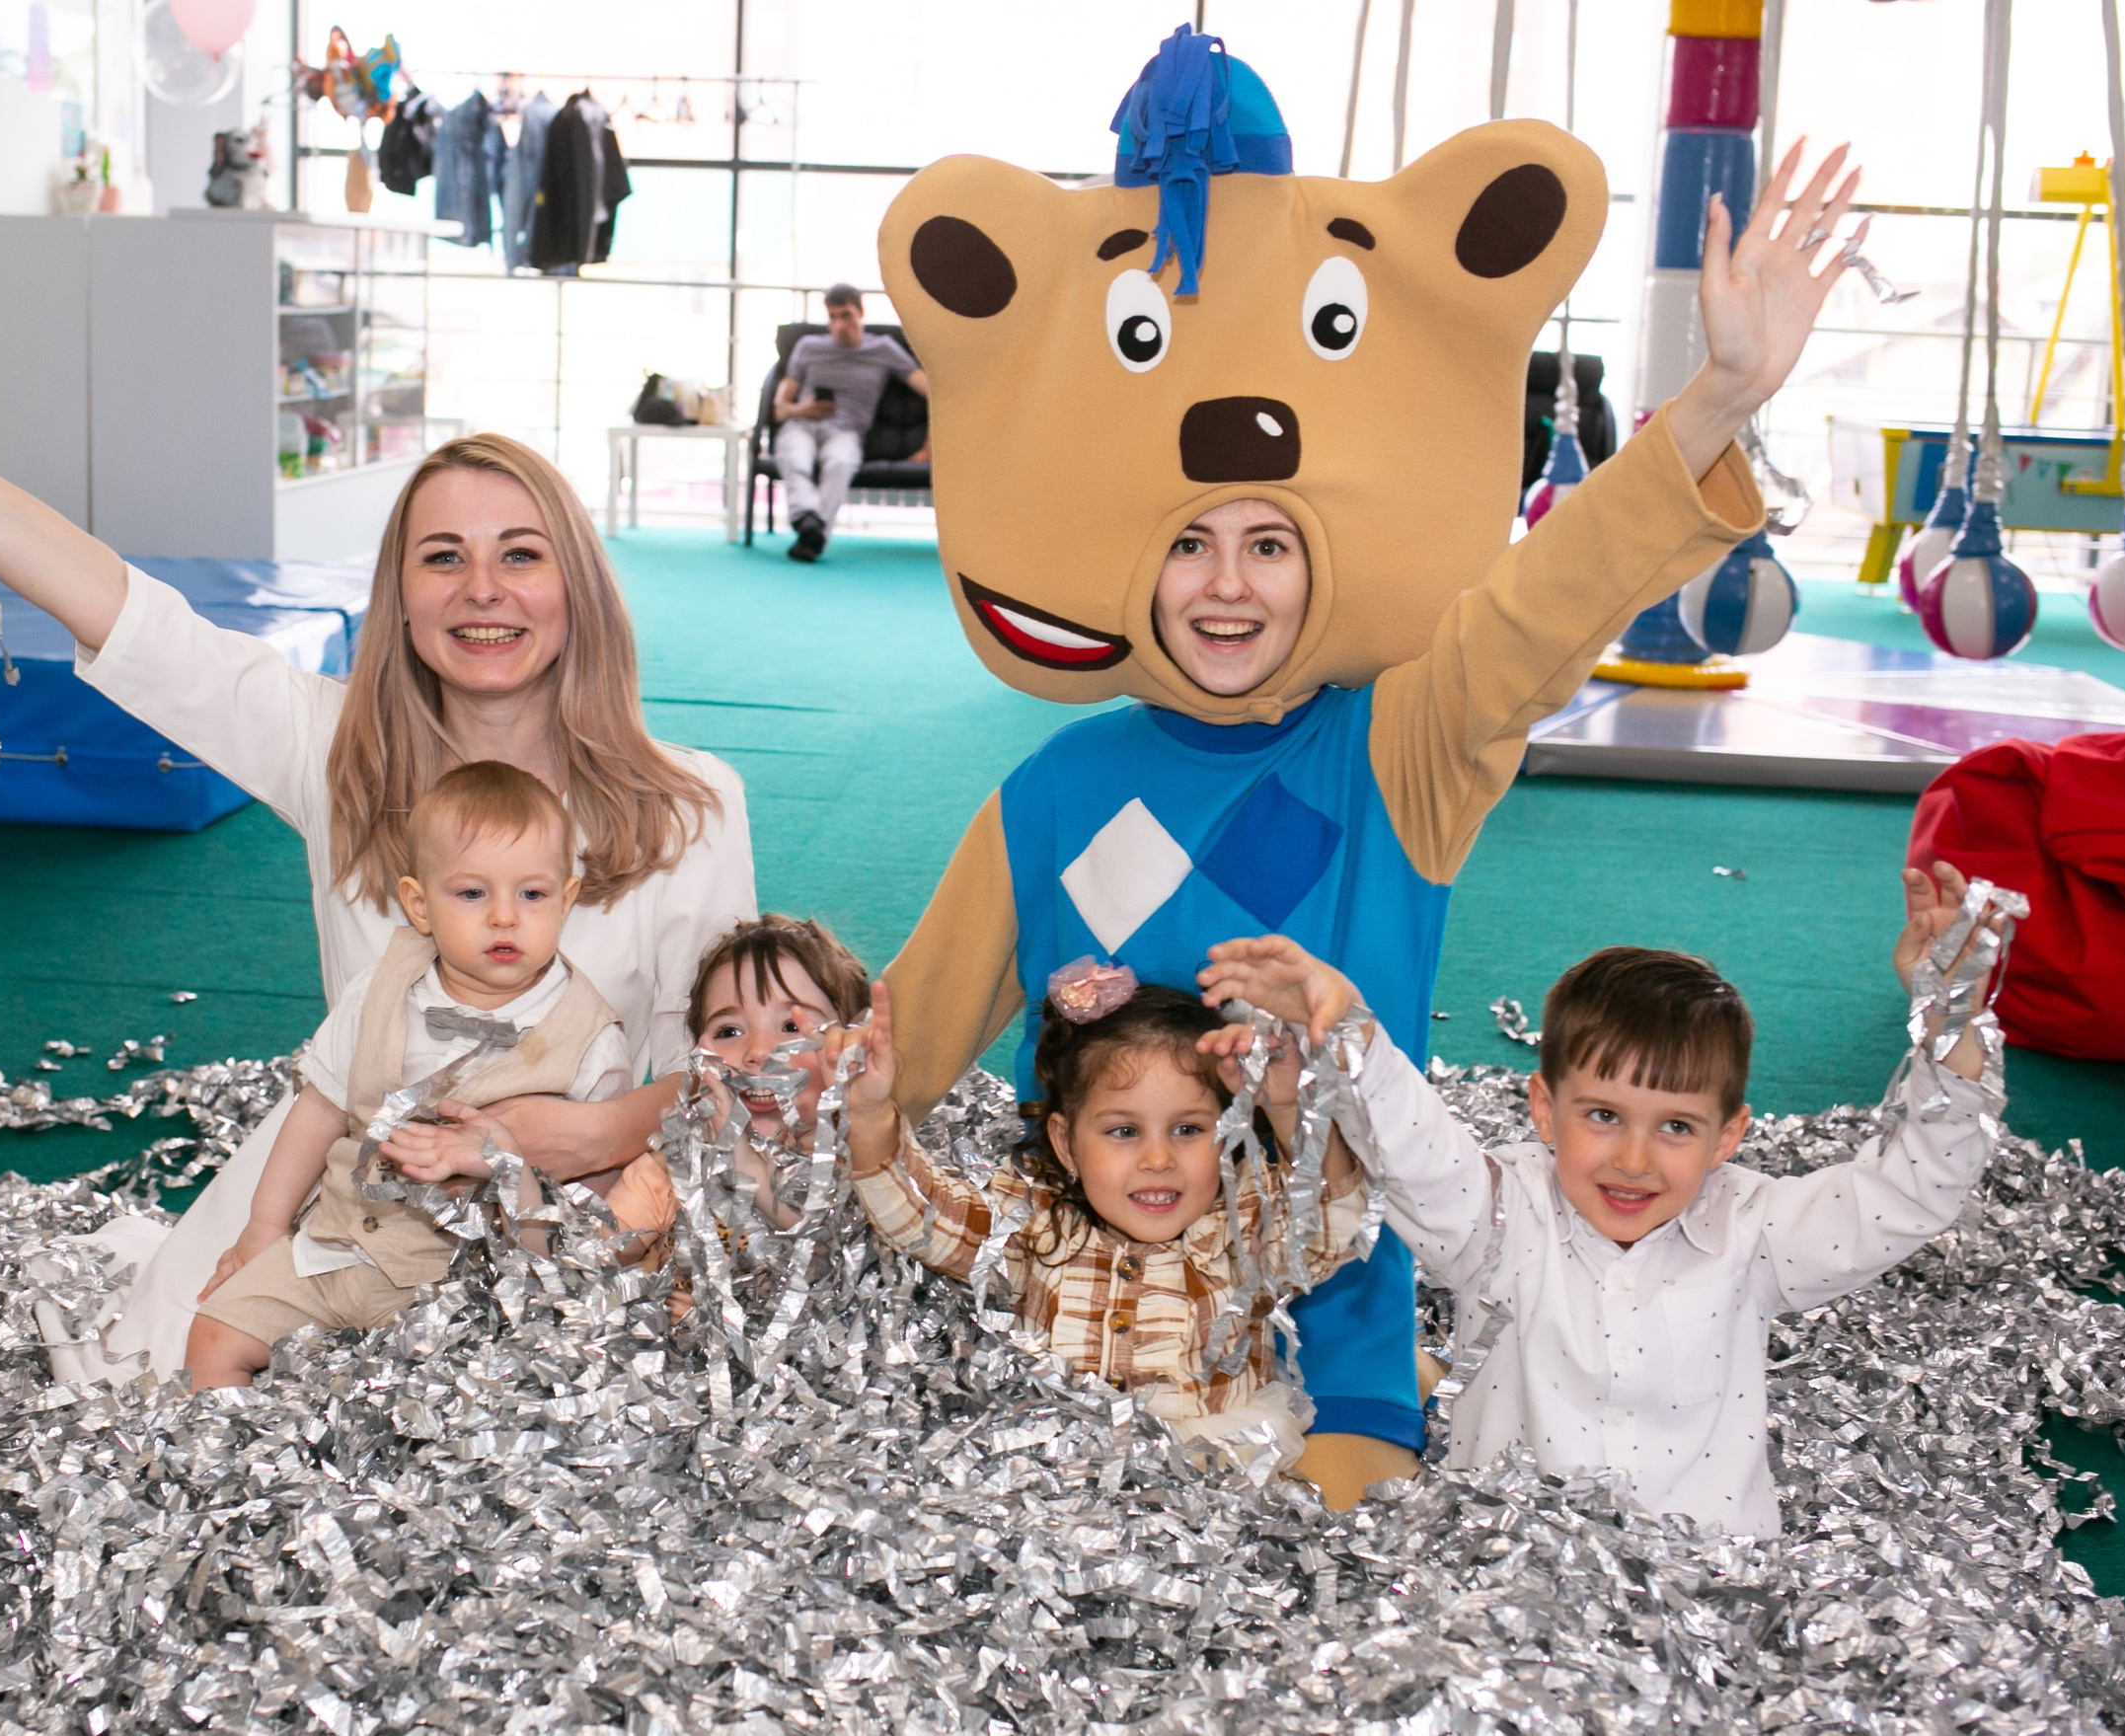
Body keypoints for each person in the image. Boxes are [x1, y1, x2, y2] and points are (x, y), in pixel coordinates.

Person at [875, 20, 1866, 1508]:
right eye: (1190, 544)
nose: (1228, 585)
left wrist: (1716, 401)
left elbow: (1545, 604)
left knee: (1319, 1566)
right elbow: (905, 1037)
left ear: (1317, 561)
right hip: (1071, 1303)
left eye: (1269, 545)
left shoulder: (1401, 743)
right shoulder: (1054, 790)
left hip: (1326, 1309)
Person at [0, 432, 757, 1383]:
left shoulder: (693, 806)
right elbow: (132, 617)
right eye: (443, 558)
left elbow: (731, 1067)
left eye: (520, 554)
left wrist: (591, 1133)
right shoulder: (340, 751)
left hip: (572, 1222)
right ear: (401, 597)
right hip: (340, 1201)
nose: (482, 589)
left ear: (577, 584)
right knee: (166, 1395)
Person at [1191, 867, 2010, 1538]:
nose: (1634, 1159)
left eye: (1677, 1126)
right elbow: (1416, 1149)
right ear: (1545, 1110)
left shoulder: (1754, 1231)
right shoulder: (1502, 1216)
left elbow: (1907, 1191)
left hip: (1709, 1595)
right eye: (1604, 1116)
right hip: (1506, 1574)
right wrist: (1350, 1028)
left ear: (1728, 1136)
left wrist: (1951, 1022)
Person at [186, 762, 675, 1388]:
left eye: (532, 895)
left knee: (433, 1394)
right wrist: (264, 1227)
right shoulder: (379, 988)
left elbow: (591, 1184)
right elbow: (320, 1108)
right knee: (213, 1334)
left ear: (566, 898)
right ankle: (232, 1439)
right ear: (420, 905)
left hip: (459, 1283)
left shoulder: (589, 1037)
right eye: (472, 894)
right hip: (333, 1245)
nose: (505, 917)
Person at [835, 954, 1372, 1483]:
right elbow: (925, 1220)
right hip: (1053, 1467)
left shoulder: (1241, 1227)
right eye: (1124, 1131)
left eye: (1188, 1129)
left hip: (1206, 1474)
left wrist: (1286, 1109)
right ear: (1066, 1144)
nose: (1158, 1159)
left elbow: (1329, 1229)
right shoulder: (1035, 1219)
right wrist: (870, 1115)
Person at [687, 914, 873, 1227]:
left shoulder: (871, 1162)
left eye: (791, 1027)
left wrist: (749, 1171)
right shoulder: (676, 1163)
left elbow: (833, 1235)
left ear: (853, 1051)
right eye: (729, 1031)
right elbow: (615, 1235)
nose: (759, 1051)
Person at [770, 284, 928, 564]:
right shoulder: (808, 346)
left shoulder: (883, 349)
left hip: (846, 431)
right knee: (795, 458)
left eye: (846, 315)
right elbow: (780, 410)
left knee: (840, 463)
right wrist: (801, 409)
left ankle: (810, 529)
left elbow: (933, 392)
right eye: (832, 317)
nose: (839, 325)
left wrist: (930, 447)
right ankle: (811, 523)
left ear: (861, 312)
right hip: (801, 425)